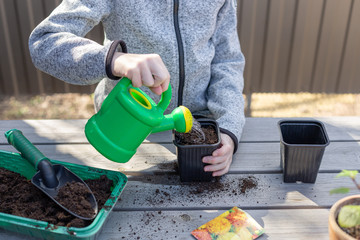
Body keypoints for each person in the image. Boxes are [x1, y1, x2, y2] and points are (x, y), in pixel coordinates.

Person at [29, 0, 246, 177]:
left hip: (199, 129)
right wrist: (113, 60)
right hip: (124, 131)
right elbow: (44, 42)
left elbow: (227, 61)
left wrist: (228, 129)